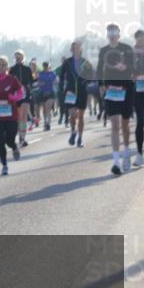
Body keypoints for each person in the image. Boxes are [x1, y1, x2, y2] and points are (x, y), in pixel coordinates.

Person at [97, 23, 136, 175]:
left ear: (119, 34)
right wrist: (100, 85)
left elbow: (134, 67)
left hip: (126, 89)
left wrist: (125, 67)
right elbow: (99, 70)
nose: (112, 34)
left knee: (125, 127)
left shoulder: (127, 49)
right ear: (107, 35)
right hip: (111, 90)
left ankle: (126, 153)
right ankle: (116, 162)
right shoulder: (103, 51)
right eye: (109, 31)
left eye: (114, 31)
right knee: (115, 125)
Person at [0, 56, 25, 175]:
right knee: (0, 141)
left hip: (11, 116)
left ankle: (14, 147)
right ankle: (4, 165)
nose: (1, 67)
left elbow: (21, 93)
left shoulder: (12, 80)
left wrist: (13, 97)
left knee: (9, 140)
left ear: (7, 67)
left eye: (3, 65)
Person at [58, 42, 89, 147]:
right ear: (71, 50)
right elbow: (61, 76)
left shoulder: (85, 62)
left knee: (80, 116)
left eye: (77, 47)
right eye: (73, 48)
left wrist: (86, 82)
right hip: (70, 91)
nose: (75, 49)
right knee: (72, 115)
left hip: (82, 91)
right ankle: (73, 131)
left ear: (80, 49)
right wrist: (62, 88)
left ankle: (80, 138)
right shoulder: (67, 62)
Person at [10, 50, 35, 146]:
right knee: (18, 117)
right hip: (16, 96)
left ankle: (22, 138)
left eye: (20, 57)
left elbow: (31, 81)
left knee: (24, 116)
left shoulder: (27, 69)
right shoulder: (12, 70)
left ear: (23, 58)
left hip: (25, 95)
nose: (18, 59)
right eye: (16, 57)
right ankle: (19, 134)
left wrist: (28, 87)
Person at [133, 29, 144, 166]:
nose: (140, 40)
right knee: (140, 121)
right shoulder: (130, 53)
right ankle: (139, 154)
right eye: (138, 38)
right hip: (137, 91)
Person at [37, 61, 57, 131]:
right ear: (43, 67)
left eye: (47, 66)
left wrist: (54, 82)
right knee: (44, 110)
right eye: (45, 66)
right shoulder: (41, 74)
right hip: (43, 93)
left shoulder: (52, 73)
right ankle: (45, 121)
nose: (46, 67)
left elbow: (56, 81)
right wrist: (41, 84)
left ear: (49, 66)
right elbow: (38, 83)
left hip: (50, 93)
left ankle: (48, 123)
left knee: (48, 108)